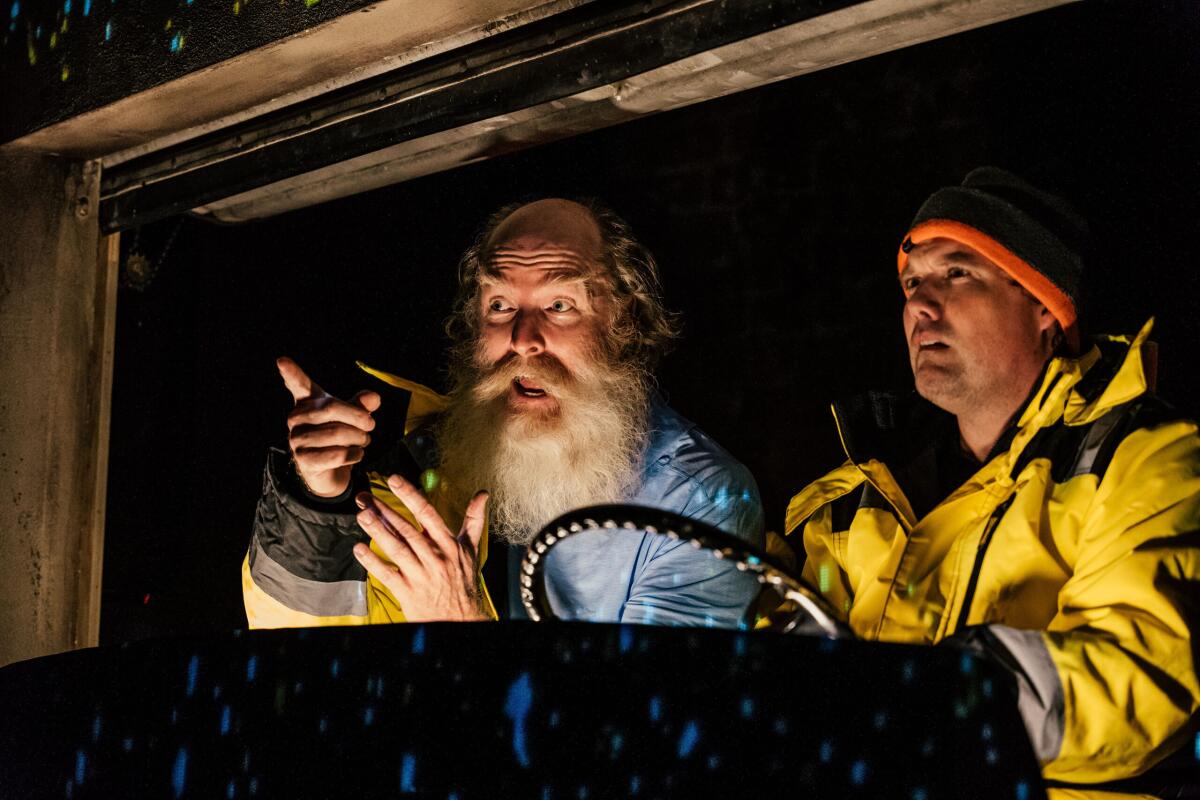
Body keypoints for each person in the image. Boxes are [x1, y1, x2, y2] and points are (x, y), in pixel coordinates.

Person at [785, 168, 1200, 786]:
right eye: (912, 283)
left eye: (957, 274)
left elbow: (1141, 674)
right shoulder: (854, 495)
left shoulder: (1146, 458)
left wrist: (937, 700)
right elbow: (784, 643)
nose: (921, 306)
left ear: (1046, 307)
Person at [243, 198, 764, 629]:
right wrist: (316, 496)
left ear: (623, 320)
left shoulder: (699, 503)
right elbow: (296, 642)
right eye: (500, 305)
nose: (523, 339)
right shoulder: (430, 453)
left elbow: (653, 735)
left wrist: (459, 625)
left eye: (560, 305)